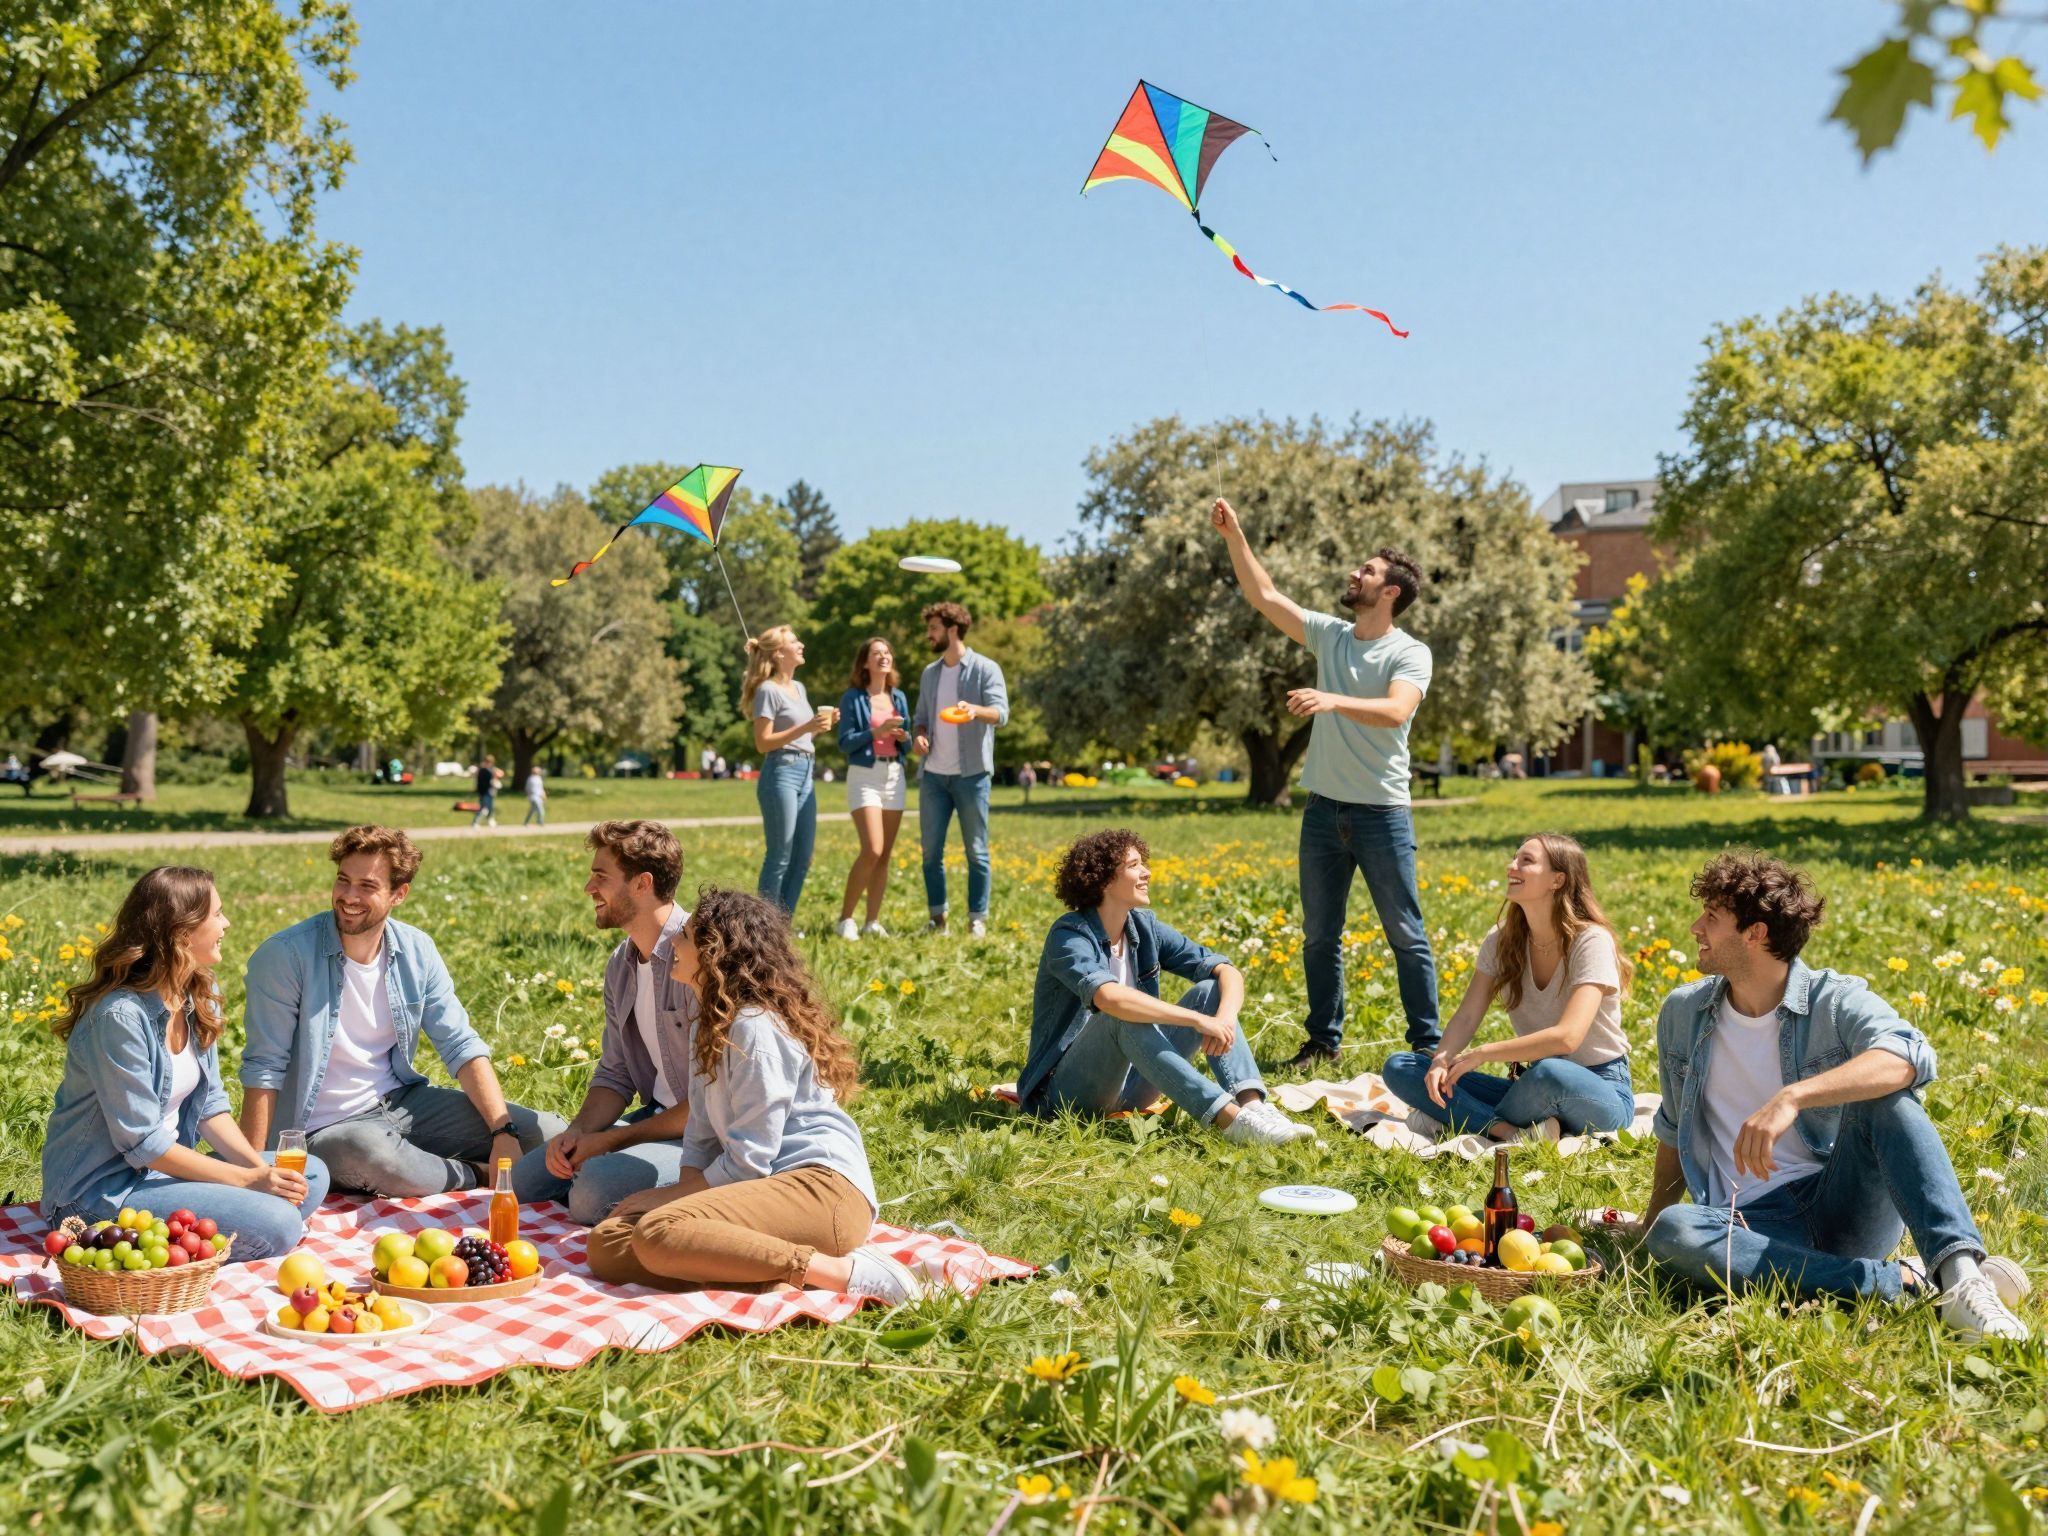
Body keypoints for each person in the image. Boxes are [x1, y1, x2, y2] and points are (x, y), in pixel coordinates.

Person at [1641, 852, 2028, 1341]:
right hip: (1745, 1226)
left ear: (1755, 933)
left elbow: (1909, 1054)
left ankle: (1963, 1277)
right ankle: (1907, 1282)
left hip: (1841, 1206)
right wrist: (1649, 1226)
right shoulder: (1684, 1013)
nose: (1697, 928)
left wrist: (1793, 1096)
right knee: (1676, 1232)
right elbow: (1673, 1129)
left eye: (1712, 918)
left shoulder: (1834, 999)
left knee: (1889, 1097)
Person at [586, 888, 925, 1302]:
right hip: (759, 1187)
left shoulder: (753, 1028)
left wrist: (669, 1198)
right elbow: (701, 1135)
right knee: (609, 1244)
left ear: (715, 953)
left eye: (687, 936)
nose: (674, 942)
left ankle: (842, 1272)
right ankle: (762, 1271)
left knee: (658, 1231)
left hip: (819, 1189)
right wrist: (682, 1191)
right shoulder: (707, 1023)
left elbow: (751, 1159)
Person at [1211, 497, 1441, 1070]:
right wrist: (1234, 535)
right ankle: (1322, 1043)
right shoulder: (1333, 636)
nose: (1354, 574)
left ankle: (1428, 1048)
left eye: (1366, 571)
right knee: (1319, 937)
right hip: (1323, 813)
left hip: (1381, 814)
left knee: (1405, 935)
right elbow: (1264, 596)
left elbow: (1395, 711)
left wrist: (1330, 699)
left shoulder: (1410, 652)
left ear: (1390, 592)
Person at [239, 825, 564, 1197]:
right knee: (372, 1154)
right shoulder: (285, 955)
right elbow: (264, 1067)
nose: (348, 896)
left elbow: (460, 1045)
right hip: (323, 1130)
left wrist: (501, 1132)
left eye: (367, 886)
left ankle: (433, 1167)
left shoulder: (416, 950)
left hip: (401, 1104)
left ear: (399, 894)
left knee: (546, 1132)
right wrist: (252, 1170)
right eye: (343, 881)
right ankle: (478, 1174)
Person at [43, 867, 329, 1260]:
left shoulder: (197, 991)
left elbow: (211, 1103)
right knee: (278, 1225)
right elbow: (144, 1143)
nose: (226, 924)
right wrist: (247, 1181)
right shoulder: (119, 1018)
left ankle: (237, 1219)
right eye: (217, 914)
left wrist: (261, 1172)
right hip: (102, 1193)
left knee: (309, 1174)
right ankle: (251, 1228)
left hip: (162, 1175)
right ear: (181, 933)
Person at [1017, 829, 1313, 1146]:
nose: (1146, 872)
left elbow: (1227, 971)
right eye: (1134, 866)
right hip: (1066, 1095)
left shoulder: (1144, 927)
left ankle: (1255, 1108)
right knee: (1121, 1015)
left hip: (1133, 1085)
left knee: (1210, 991)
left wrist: (1222, 1019)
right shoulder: (1069, 935)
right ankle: (1232, 1123)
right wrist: (1196, 1021)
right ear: (1103, 880)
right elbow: (1109, 998)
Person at [1381, 834, 1636, 1142]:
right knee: (1403, 1065)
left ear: (1558, 879)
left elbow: (1568, 1037)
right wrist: (1441, 1062)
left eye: (1525, 861)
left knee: (1550, 1072)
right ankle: (1507, 1130)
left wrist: (1484, 1053)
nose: (1510, 866)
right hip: (1532, 1088)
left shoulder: (1591, 941)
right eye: (1514, 858)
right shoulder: (1502, 939)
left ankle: (1457, 1115)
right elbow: (1466, 1016)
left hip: (1601, 1089)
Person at [514, 822, 697, 1223]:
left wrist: (611, 1141)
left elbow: (711, 1104)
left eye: (600, 876)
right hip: (656, 1121)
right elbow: (616, 1073)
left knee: (592, 1191)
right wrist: (578, 1133)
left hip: (708, 1137)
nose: (588, 888)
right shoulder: (622, 963)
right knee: (524, 1184)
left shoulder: (698, 960)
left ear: (641, 884)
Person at [911, 601, 1009, 938]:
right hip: (934, 776)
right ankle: (938, 919)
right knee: (930, 853)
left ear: (952, 629)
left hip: (972, 775)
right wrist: (919, 737)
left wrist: (975, 710)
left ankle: (976, 918)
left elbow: (1001, 714)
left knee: (976, 851)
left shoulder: (985, 669)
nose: (929, 634)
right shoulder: (930, 673)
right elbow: (920, 719)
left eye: (934, 628)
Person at [744, 625, 836, 917]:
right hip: (780, 773)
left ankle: (782, 924)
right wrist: (807, 727)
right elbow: (762, 743)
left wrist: (818, 728)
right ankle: (762, 928)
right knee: (779, 856)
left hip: (805, 772)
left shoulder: (800, 688)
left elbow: (801, 738)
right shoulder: (767, 690)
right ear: (779, 653)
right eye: (795, 642)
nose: (801, 645)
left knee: (803, 857)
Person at [834, 637, 912, 941]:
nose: (884, 656)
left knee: (885, 855)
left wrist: (904, 737)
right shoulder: (853, 697)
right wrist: (876, 732)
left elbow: (903, 734)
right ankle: (845, 919)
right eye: (877, 653)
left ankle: (872, 921)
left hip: (895, 774)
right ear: (865, 662)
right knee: (872, 849)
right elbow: (845, 742)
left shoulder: (899, 696)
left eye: (887, 652)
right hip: (864, 775)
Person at [470, 754, 501, 828]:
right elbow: (484, 782)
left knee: (489, 807)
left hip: (489, 792)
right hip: (485, 792)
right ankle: (475, 822)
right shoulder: (483, 770)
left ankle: (490, 821)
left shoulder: (488, 770)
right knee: (484, 808)